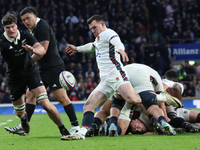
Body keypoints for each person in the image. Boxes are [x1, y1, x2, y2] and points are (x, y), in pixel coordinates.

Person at [4, 7, 80, 136]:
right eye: (23, 20)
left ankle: (75, 126)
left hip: (53, 66)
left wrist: (26, 62)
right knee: (30, 94)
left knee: (61, 97)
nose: (26, 22)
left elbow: (42, 51)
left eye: (28, 18)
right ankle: (24, 126)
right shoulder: (33, 29)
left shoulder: (42, 27)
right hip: (42, 68)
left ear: (35, 16)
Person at [86, 63, 183, 137]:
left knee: (108, 107)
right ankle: (161, 120)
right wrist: (164, 118)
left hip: (121, 75)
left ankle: (97, 125)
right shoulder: (159, 79)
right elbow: (160, 106)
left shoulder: (159, 79)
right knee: (150, 105)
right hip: (142, 81)